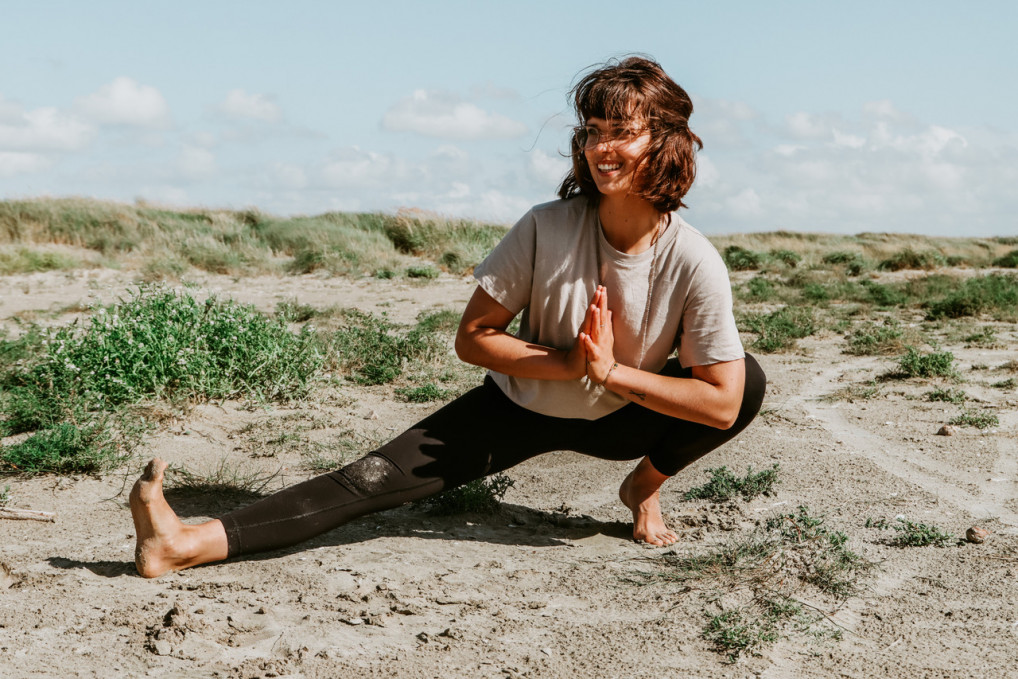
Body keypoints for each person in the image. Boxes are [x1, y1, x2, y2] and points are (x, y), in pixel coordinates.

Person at [130, 56, 766, 578]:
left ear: (664, 142)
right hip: (518, 406)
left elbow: (721, 403)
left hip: (622, 423)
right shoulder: (546, 226)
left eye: (620, 132)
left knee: (749, 379)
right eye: (593, 130)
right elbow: (474, 339)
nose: (602, 147)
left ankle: (642, 487)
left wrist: (610, 375)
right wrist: (569, 364)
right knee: (367, 478)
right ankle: (182, 543)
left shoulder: (692, 259)